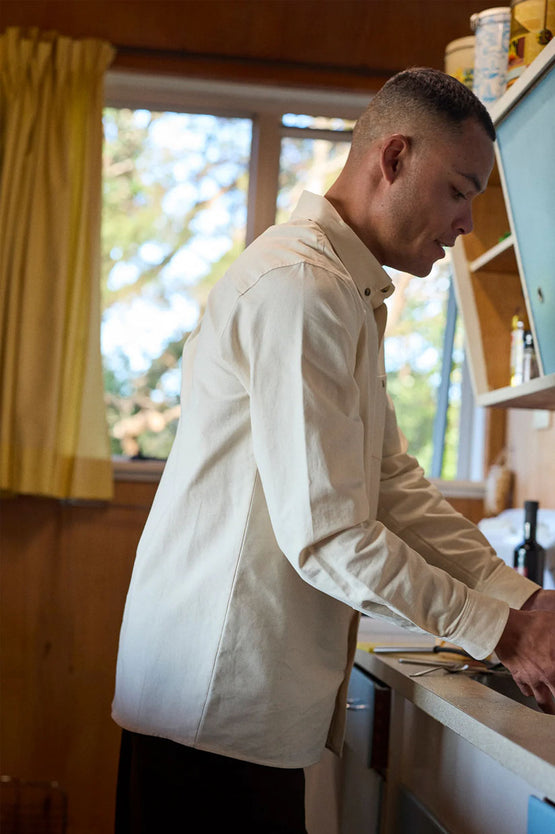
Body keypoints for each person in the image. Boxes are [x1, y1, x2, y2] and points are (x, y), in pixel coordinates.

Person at [112, 67, 555, 833]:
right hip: (214, 703)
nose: (466, 223)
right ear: (393, 159)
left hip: (230, 703)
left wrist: (518, 598)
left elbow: (390, 484)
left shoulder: (341, 292)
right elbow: (329, 534)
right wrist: (502, 631)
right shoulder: (302, 289)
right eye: (458, 189)